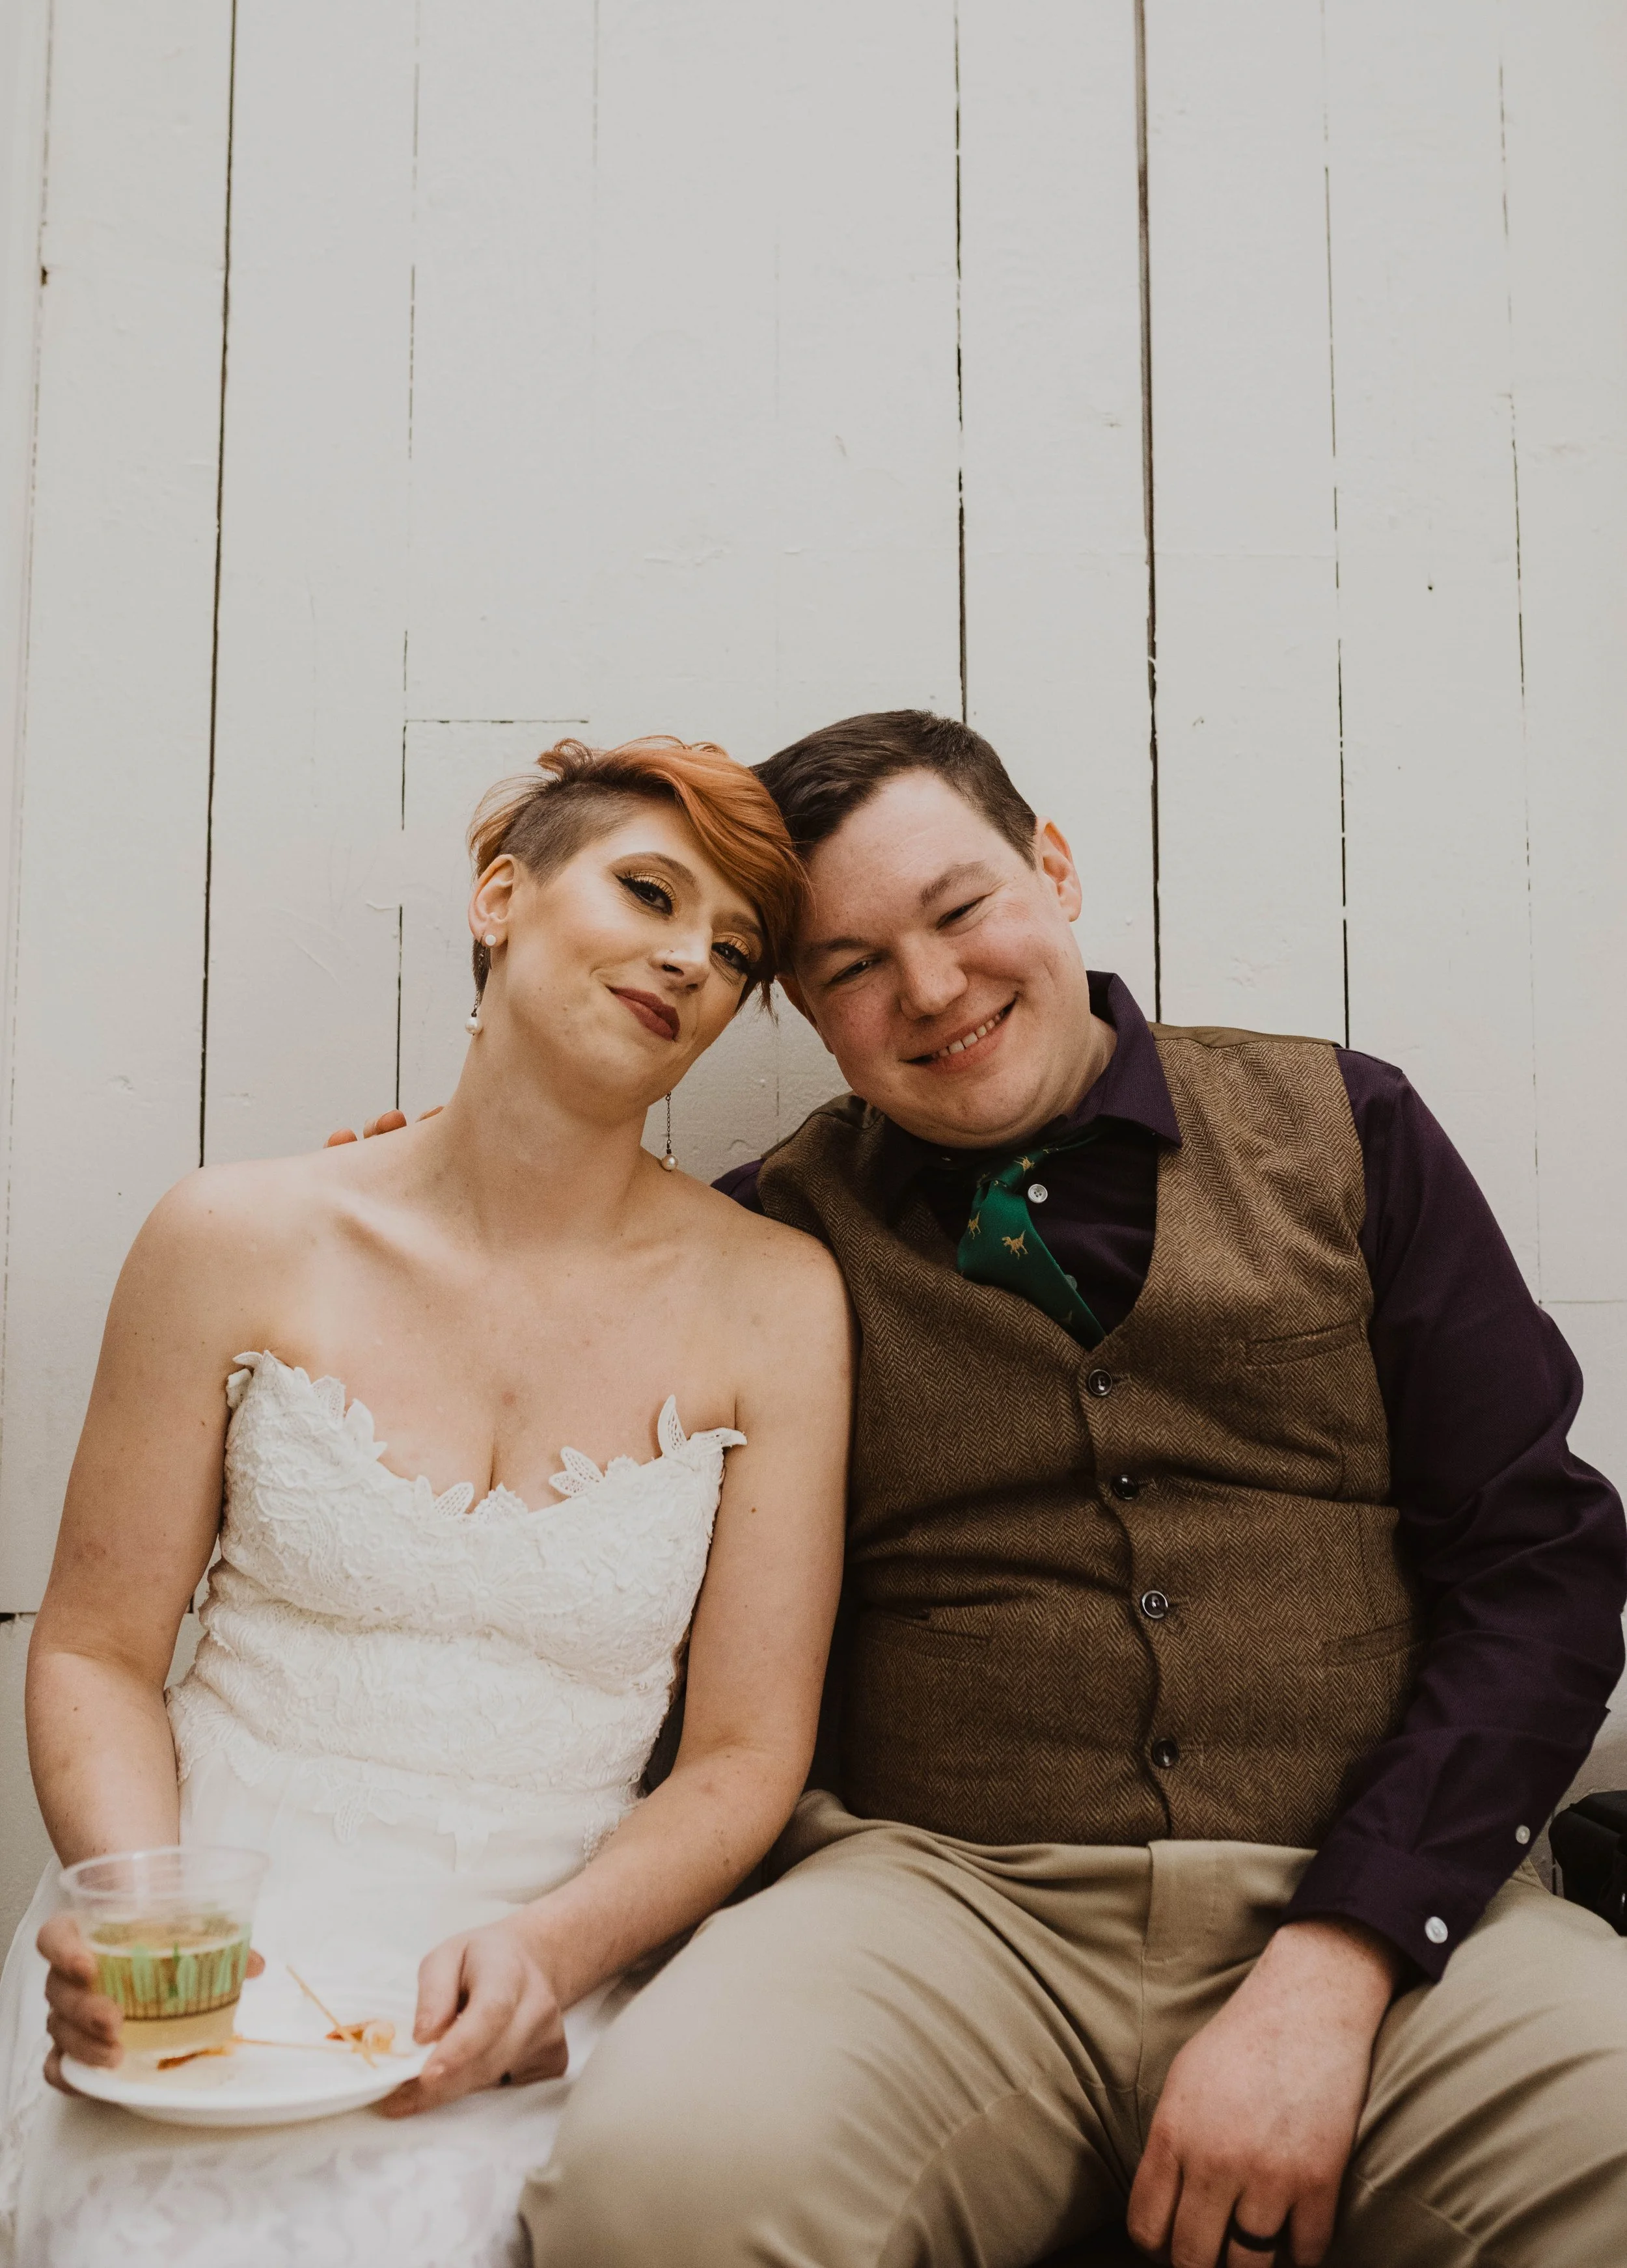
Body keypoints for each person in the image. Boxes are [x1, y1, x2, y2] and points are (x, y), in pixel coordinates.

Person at [513, 711, 1627, 2268]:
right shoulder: (762, 1240)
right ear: (802, 1012)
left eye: (961, 910)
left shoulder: (1352, 1129)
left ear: (1052, 867)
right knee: (663, 2194)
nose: (931, 990)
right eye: (848, 966)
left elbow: (1540, 1565)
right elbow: (509, 1299)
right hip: (941, 1909)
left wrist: (1342, 1953)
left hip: (1393, 1904)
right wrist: (420, 1173)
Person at [0, 737, 851, 2268]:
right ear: (501, 895)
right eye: (648, 893)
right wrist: (146, 1927)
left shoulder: (775, 1304)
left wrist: (552, 1954)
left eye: (733, 954)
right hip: (216, 1923)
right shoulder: (230, 1236)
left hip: (553, 1958)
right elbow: (92, 1653)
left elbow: (742, 1751)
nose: (686, 960)